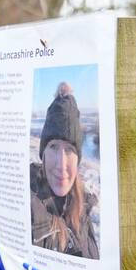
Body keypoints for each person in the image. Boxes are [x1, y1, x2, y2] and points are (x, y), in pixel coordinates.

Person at [30, 81, 99, 260]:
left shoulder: (83, 208)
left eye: (69, 150)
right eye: (53, 147)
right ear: (43, 153)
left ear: (78, 158)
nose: (61, 164)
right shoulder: (29, 206)